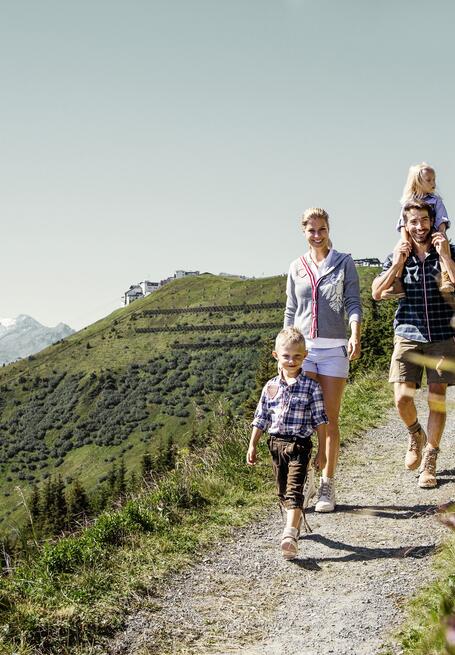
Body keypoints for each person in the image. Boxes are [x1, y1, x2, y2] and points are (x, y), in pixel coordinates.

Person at [372, 199, 455, 487]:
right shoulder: (399, 254)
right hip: (408, 332)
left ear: (433, 222)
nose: (419, 226)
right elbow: (376, 292)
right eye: (413, 221)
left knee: (436, 397)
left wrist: (445, 256)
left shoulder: (448, 251)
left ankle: (430, 459)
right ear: (405, 226)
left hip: (442, 335)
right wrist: (397, 263)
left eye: (424, 220)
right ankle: (415, 433)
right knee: (402, 398)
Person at [284, 207, 362, 513]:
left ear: (329, 229)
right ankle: (302, 481)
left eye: (322, 230)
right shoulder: (296, 267)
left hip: (333, 350)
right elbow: (291, 310)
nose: (317, 235)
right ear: (303, 231)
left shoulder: (344, 262)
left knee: (328, 420)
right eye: (311, 230)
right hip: (304, 351)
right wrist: (284, 350)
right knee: (303, 420)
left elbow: (353, 302)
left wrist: (355, 334)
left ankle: (327, 484)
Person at [246, 327, 327, 560]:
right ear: (276, 356)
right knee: (282, 492)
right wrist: (253, 445)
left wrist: (321, 451)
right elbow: (260, 418)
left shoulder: (311, 387)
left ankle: (290, 535)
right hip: (275, 445)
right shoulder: (270, 387)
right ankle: (296, 515)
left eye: (297, 356)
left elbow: (320, 421)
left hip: (300, 445)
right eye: (286, 356)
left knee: (293, 491)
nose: (291, 361)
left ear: (305, 356)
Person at [382, 162, 454, 299]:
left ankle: (446, 277)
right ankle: (397, 282)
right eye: (429, 180)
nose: (433, 183)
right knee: (400, 251)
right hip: (411, 236)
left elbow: (442, 218)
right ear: (418, 182)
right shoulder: (408, 202)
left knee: (443, 248)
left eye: (434, 179)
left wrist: (441, 233)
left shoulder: (435, 200)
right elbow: (403, 223)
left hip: (433, 232)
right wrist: (404, 241)